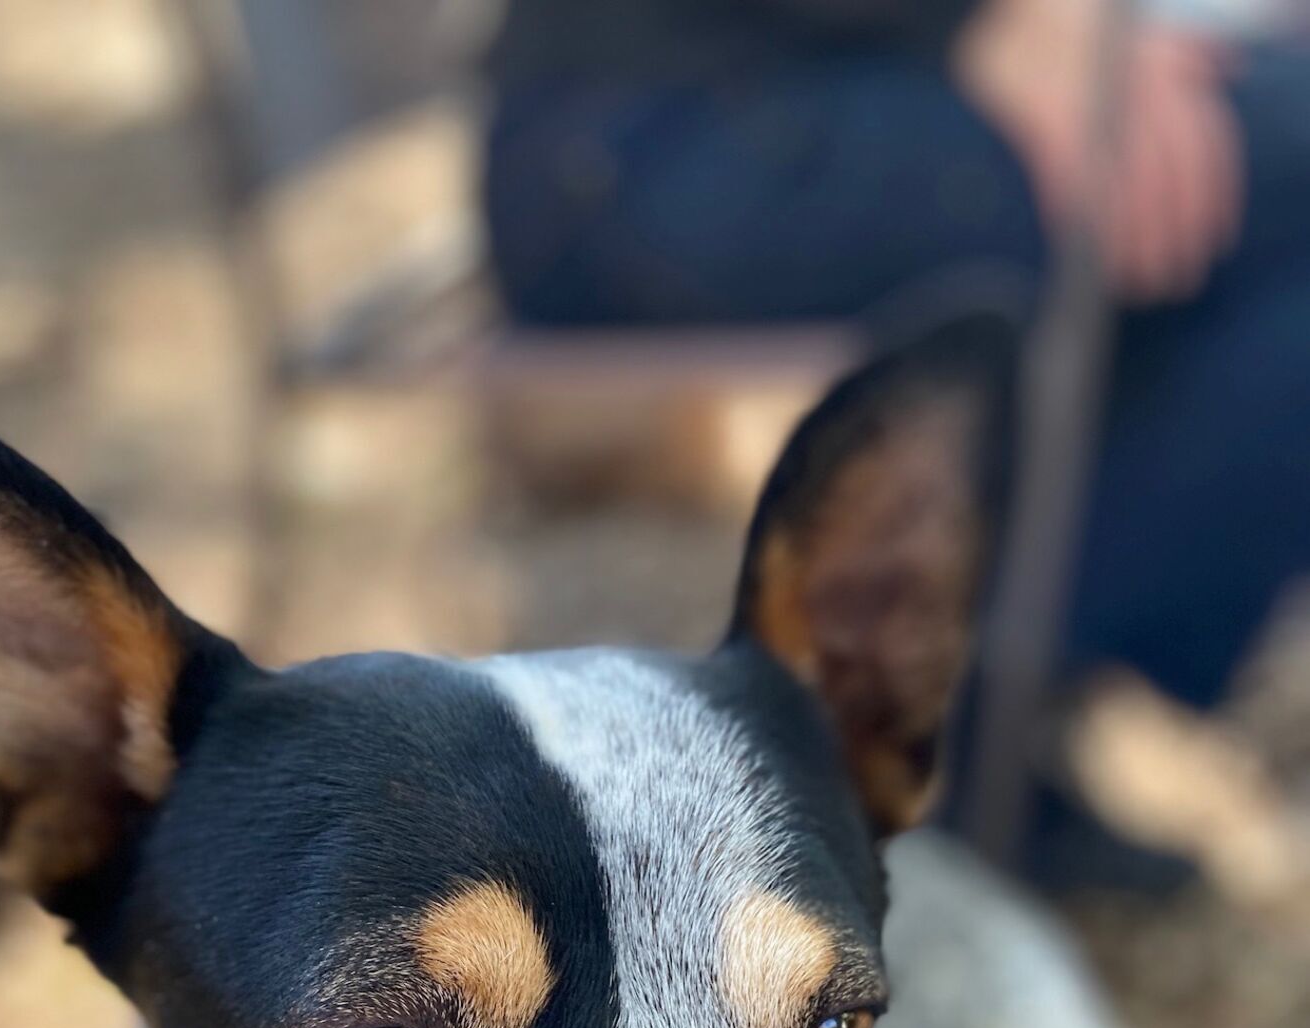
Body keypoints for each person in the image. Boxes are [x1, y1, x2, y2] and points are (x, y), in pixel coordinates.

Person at [483, 0, 1309, 880]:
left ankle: (960, 698)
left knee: (1249, 246)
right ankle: (950, 700)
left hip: (798, 85)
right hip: (645, 126)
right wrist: (993, 20)